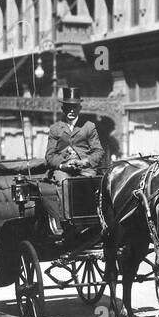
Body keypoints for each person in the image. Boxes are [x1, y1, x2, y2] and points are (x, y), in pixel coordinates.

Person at [39, 87, 104, 236]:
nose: (71, 111)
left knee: (92, 182)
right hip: (63, 169)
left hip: (85, 168)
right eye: (68, 107)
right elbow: (50, 155)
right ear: (63, 108)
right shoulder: (55, 129)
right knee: (65, 183)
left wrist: (86, 162)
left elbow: (98, 151)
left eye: (74, 107)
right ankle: (67, 222)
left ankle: (95, 221)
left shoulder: (89, 126)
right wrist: (63, 165)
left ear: (79, 108)